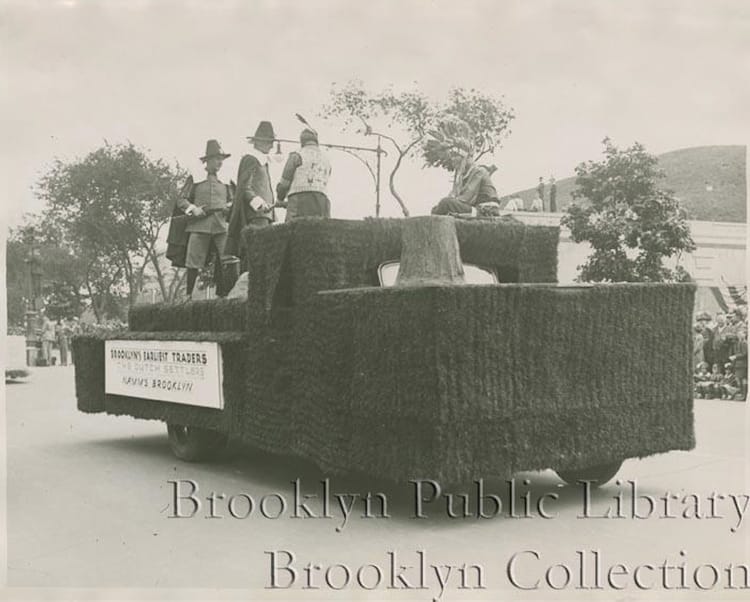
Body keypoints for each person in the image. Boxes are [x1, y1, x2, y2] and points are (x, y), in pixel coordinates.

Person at [176, 140, 234, 297]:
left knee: (229, 258)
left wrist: (229, 206)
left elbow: (233, 199)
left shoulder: (227, 179)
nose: (220, 162)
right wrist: (193, 209)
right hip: (199, 224)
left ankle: (227, 295)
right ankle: (189, 296)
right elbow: (181, 199)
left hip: (221, 224)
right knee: (193, 261)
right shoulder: (194, 178)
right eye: (217, 159)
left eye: (221, 159)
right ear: (207, 160)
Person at [226, 121, 276, 269]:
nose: (272, 146)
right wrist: (259, 203)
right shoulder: (250, 159)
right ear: (259, 142)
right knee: (254, 252)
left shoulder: (262, 160)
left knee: (261, 253)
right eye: (269, 142)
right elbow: (244, 187)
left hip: (265, 215)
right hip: (256, 214)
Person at [277, 128, 332, 220]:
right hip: (322, 202)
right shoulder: (326, 159)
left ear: (302, 141)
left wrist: (280, 199)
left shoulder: (297, 155)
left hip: (299, 202)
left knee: (295, 231)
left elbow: (284, 182)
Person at [431, 160, 500, 215]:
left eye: (456, 156)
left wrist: (453, 200)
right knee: (436, 208)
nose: (453, 159)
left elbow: (467, 197)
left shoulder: (479, 171)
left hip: (485, 209)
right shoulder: (463, 175)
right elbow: (454, 194)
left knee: (445, 203)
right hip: (475, 207)